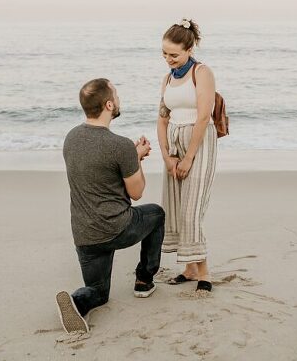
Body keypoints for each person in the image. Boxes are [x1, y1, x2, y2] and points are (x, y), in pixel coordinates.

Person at [55, 78, 165, 335]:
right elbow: (136, 193)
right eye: (116, 95)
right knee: (157, 214)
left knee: (99, 293)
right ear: (108, 104)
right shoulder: (120, 145)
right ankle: (144, 281)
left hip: (85, 236)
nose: (118, 98)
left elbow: (100, 173)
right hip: (117, 228)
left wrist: (131, 157)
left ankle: (78, 301)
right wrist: (136, 159)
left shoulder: (71, 138)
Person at [158, 18, 218, 293]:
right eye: (164, 54)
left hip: (199, 141)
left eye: (174, 54)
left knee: (191, 209)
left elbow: (204, 116)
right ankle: (190, 269)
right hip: (173, 142)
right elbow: (162, 119)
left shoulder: (202, 72)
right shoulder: (167, 79)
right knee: (176, 208)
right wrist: (167, 156)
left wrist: (189, 156)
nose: (168, 59)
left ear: (189, 49)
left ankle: (203, 273)